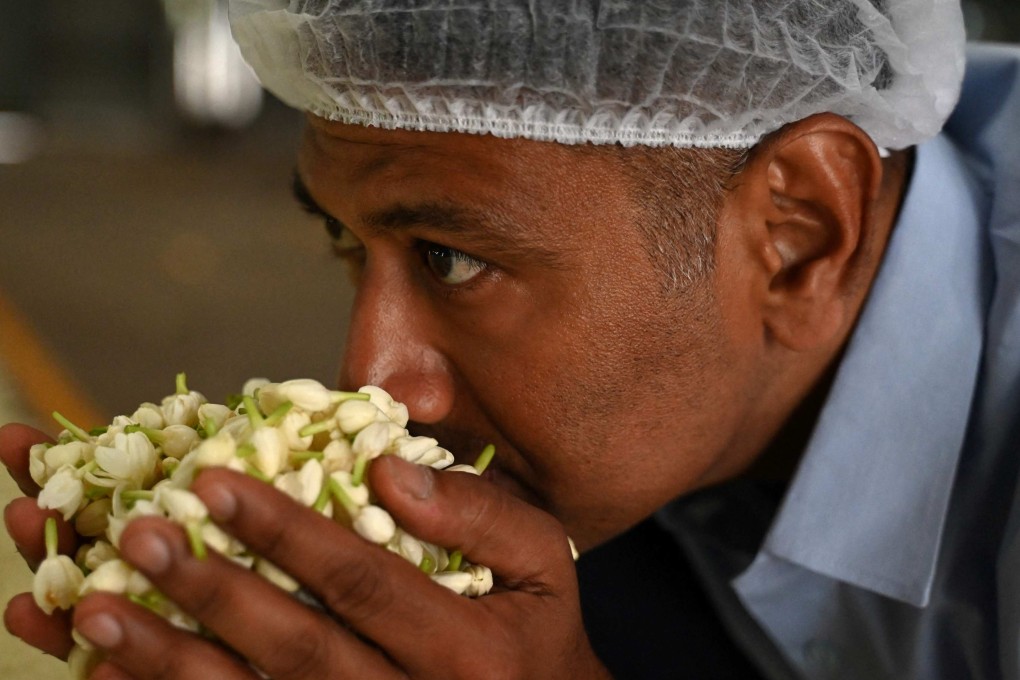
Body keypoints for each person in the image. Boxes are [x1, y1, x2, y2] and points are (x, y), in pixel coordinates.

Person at [3, 0, 1020, 678]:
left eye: (450, 258)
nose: (372, 379)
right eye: (344, 242)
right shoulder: (622, 458)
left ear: (799, 233)